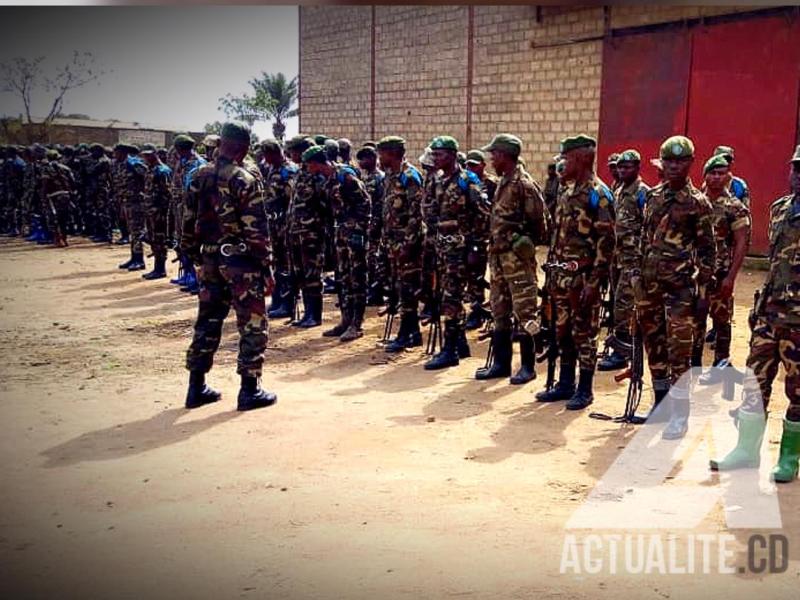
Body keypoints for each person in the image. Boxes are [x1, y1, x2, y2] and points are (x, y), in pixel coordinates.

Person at [709, 145, 800, 483]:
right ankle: (746, 451)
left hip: (798, 321)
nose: (799, 176)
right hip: (769, 314)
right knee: (754, 383)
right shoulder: (779, 209)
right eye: (796, 169)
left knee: (798, 390)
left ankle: (789, 457)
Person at [181, 121, 276, 411]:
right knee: (252, 323)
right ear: (244, 147)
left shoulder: (197, 176)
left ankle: (196, 387)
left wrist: (196, 257)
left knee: (208, 321)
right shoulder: (243, 179)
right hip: (241, 264)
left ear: (220, 143)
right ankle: (250, 390)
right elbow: (257, 230)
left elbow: (186, 222)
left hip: (210, 259)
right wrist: (266, 266)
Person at [632, 135, 715, 439]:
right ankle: (660, 406)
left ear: (691, 163)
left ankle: (680, 416)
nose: (673, 166)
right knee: (654, 346)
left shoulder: (698, 203)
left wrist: (704, 294)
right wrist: (637, 277)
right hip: (650, 287)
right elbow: (645, 240)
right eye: (668, 160)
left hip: (680, 291)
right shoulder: (653, 197)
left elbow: (708, 252)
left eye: (680, 161)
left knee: (678, 351)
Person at [535, 135, 615, 410]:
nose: (561, 163)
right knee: (562, 331)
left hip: (582, 280)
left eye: (566, 158)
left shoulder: (598, 194)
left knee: (584, 333)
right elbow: (557, 239)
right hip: (561, 278)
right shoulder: (566, 192)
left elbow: (607, 245)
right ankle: (565, 383)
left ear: (581, 158)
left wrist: (595, 284)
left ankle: (585, 388)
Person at [475, 134, 549, 385]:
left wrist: (522, 240)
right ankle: (501, 363)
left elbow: (542, 225)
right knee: (499, 309)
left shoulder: (524, 185)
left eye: (494, 154)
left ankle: (528, 366)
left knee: (525, 312)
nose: (491, 159)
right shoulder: (503, 181)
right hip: (497, 259)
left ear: (505, 156)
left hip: (517, 261)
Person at [423, 135, 486, 370]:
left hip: (461, 250)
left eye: (439, 154)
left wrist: (476, 248)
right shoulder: (439, 180)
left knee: (451, 297)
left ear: (451, 154)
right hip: (443, 249)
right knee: (447, 294)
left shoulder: (467, 181)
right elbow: (432, 214)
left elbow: (482, 216)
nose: (435, 159)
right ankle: (460, 344)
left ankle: (449, 350)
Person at [690, 154, 750, 381]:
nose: (716, 177)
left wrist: (731, 278)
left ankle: (721, 365)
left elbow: (742, 242)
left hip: (721, 274)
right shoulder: (695, 203)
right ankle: (693, 364)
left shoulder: (734, 207)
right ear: (704, 175)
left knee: (721, 320)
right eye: (712, 173)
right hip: (696, 274)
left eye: (721, 173)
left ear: (729, 176)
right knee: (695, 319)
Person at [304, 145, 371, 341]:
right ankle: (345, 320)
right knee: (343, 277)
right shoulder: (328, 179)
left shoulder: (345, 176)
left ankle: (356, 324)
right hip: (341, 234)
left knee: (357, 277)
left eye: (308, 164)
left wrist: (358, 232)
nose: (307, 168)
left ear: (316, 163)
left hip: (354, 234)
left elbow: (365, 203)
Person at [598, 149, 649, 372]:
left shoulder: (642, 192)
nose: (622, 170)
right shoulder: (618, 189)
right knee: (616, 301)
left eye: (627, 167)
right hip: (616, 257)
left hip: (632, 259)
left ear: (637, 168)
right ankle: (619, 346)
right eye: (620, 166)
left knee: (623, 304)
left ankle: (623, 353)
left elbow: (649, 227)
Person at [377, 136, 424, 353]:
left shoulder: (409, 177)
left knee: (408, 289)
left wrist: (408, 244)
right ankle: (411, 332)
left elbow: (417, 214)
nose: (380, 157)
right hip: (392, 243)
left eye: (382, 153)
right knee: (399, 287)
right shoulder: (390, 176)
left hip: (407, 245)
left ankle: (407, 334)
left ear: (393, 153)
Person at [285, 134, 329, 328]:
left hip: (311, 231)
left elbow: (324, 203)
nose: (291, 154)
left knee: (312, 272)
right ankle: (307, 312)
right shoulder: (299, 173)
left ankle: (314, 315)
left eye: (294, 151)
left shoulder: (316, 173)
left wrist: (318, 224)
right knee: (300, 272)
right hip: (296, 230)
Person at [261, 140, 299, 320]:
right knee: (276, 263)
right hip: (274, 226)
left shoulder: (287, 171)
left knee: (286, 265)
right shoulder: (273, 170)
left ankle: (287, 304)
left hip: (285, 225)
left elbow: (291, 200)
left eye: (266, 155)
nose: (265, 159)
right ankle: (277, 301)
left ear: (273, 153)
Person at [464, 149, 497, 331]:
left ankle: (488, 311)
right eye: (468, 165)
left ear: (483, 165)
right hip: (471, 236)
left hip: (487, 237)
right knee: (473, 275)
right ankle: (476, 310)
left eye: (474, 165)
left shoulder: (492, 183)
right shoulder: (468, 183)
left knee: (489, 275)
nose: (471, 168)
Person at [170, 135, 206, 292]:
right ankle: (187, 273)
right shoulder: (182, 163)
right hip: (181, 207)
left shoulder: (198, 164)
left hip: (194, 210)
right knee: (182, 241)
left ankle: (197, 278)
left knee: (194, 243)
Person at [358, 145, 387, 307]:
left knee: (374, 259)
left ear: (373, 159)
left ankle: (376, 293)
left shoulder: (379, 178)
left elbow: (380, 204)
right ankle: (371, 290)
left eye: (364, 158)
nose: (361, 162)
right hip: (365, 226)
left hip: (376, 226)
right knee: (367, 259)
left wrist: (375, 225)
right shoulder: (365, 178)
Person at [140, 144, 173, 280]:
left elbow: (167, 194)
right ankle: (156, 268)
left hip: (159, 212)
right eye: (145, 155)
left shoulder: (162, 171)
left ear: (155, 154)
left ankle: (160, 269)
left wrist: (163, 212)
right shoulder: (149, 170)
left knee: (159, 240)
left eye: (149, 155)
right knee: (153, 239)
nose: (146, 157)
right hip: (150, 211)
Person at [117, 144, 148, 271]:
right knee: (132, 231)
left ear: (123, 152)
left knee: (137, 232)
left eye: (116, 152)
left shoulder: (134, 164)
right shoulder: (122, 164)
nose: (115, 155)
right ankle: (134, 257)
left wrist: (142, 194)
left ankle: (139, 260)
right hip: (128, 202)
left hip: (137, 203)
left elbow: (147, 177)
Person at [39, 149, 75, 248]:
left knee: (54, 219)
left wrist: (43, 196)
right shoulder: (66, 168)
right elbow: (73, 182)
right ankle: (64, 238)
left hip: (53, 196)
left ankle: (58, 239)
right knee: (64, 218)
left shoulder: (46, 169)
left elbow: (44, 183)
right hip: (65, 195)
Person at [84, 143, 113, 242]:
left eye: (94, 151)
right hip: (95, 189)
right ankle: (99, 233)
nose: (92, 154)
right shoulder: (98, 161)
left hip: (102, 190)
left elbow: (90, 171)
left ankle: (105, 234)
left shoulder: (104, 161)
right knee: (95, 212)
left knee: (103, 212)